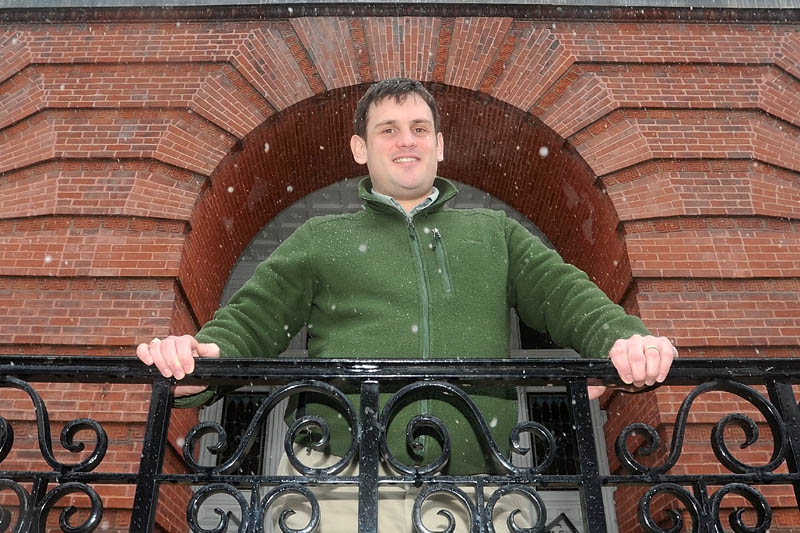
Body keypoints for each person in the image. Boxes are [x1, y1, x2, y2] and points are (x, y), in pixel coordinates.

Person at [137, 77, 676, 531]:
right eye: (387, 130)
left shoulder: (494, 234)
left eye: (419, 129)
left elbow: (565, 294)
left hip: (477, 489)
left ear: (440, 145)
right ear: (360, 149)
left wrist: (622, 338)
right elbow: (253, 319)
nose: (405, 141)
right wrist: (202, 361)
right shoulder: (321, 238)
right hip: (338, 484)